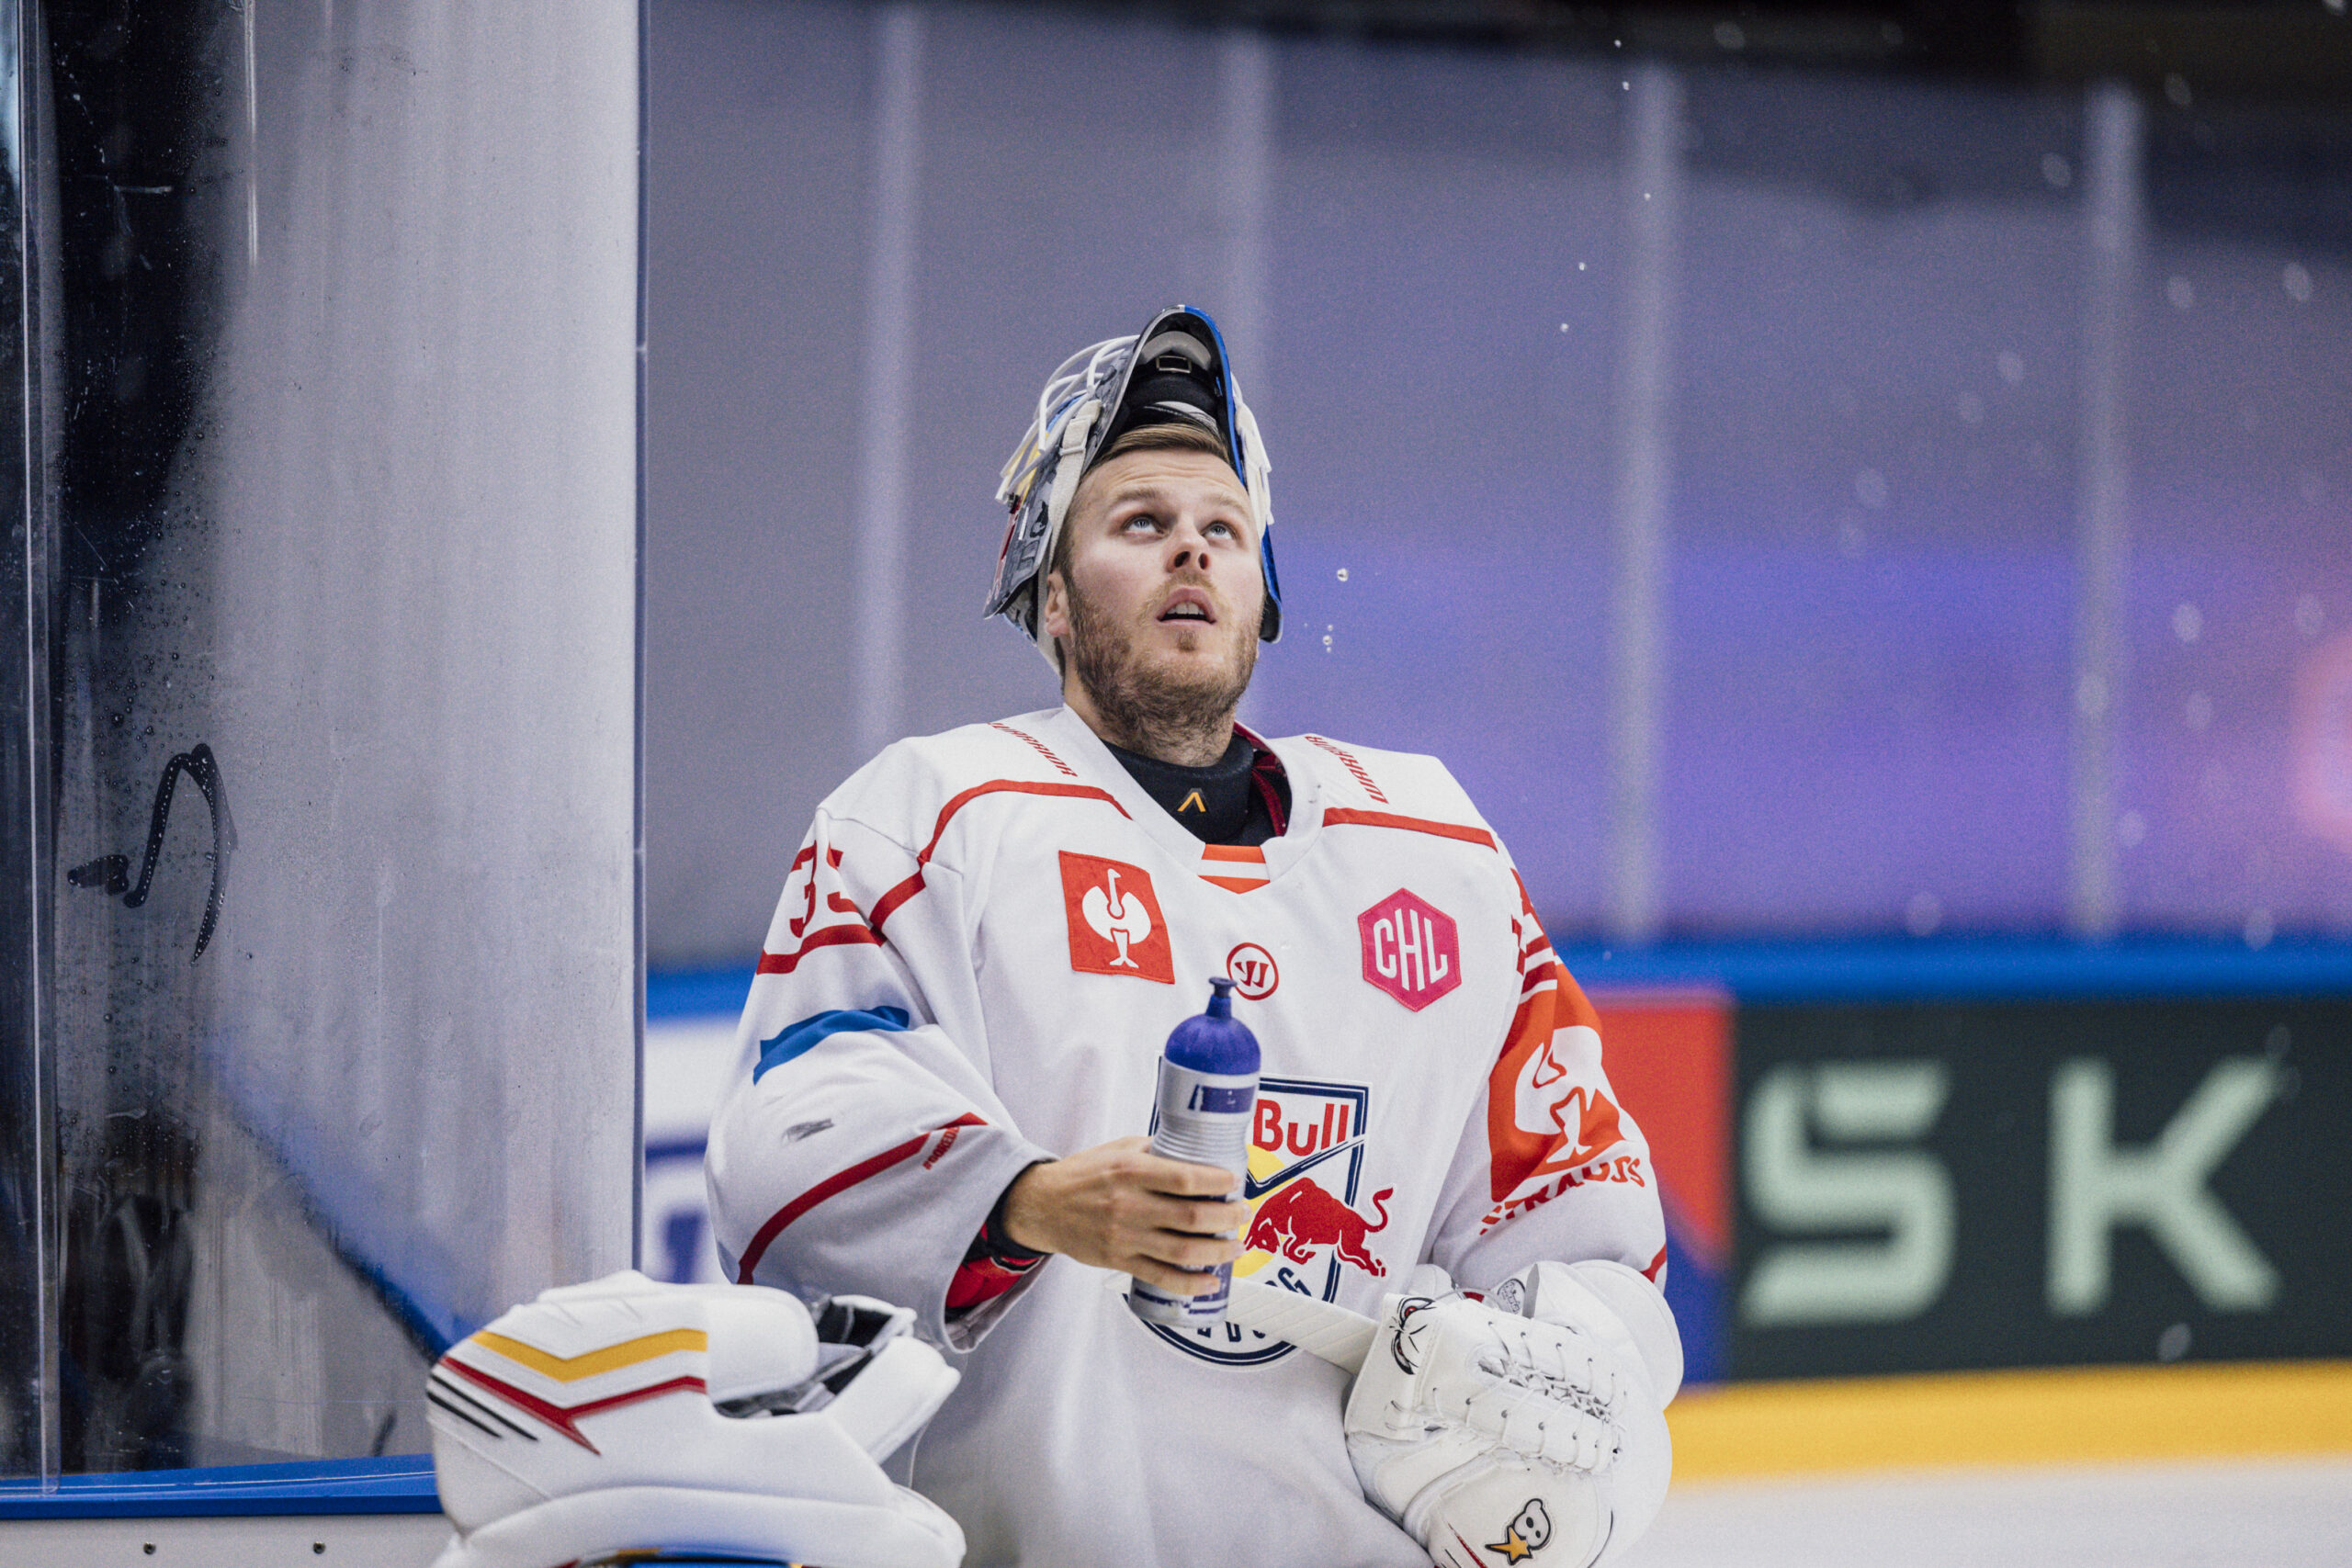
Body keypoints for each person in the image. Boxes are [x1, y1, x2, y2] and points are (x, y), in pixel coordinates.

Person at [705, 307, 1679, 1568]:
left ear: (1262, 595)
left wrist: (1562, 1356)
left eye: (1223, 530)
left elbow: (1579, 1202)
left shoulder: (1436, 851)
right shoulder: (936, 817)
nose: (1191, 554)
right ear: (1050, 594)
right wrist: (1029, 1202)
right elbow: (785, 1141)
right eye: (1139, 524)